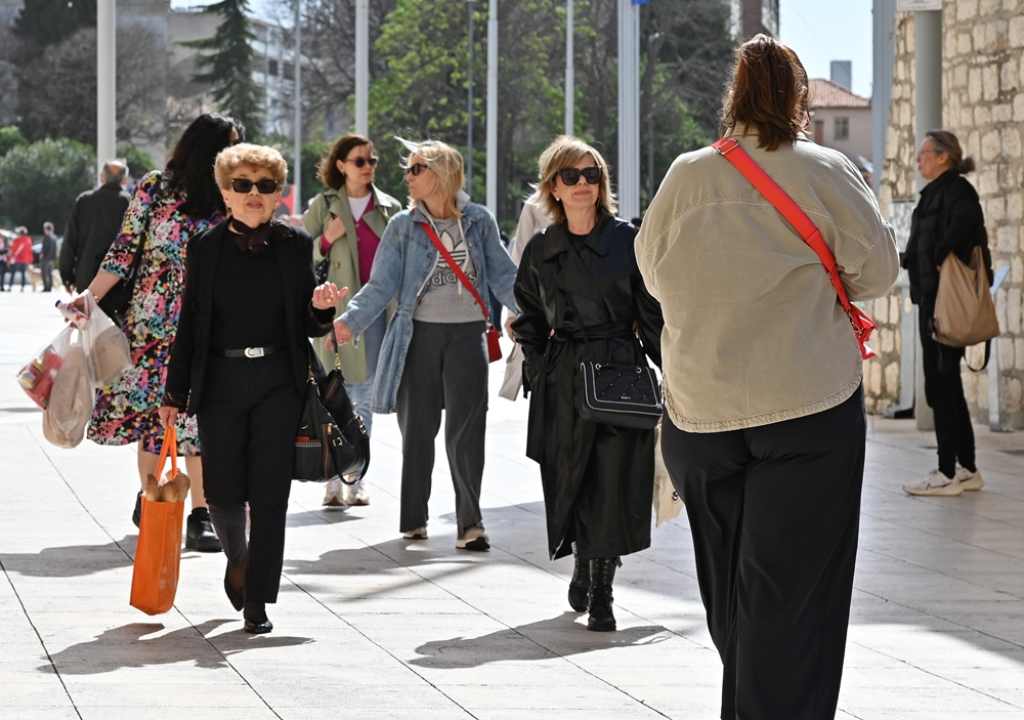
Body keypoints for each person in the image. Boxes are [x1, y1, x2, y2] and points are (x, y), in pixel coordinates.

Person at [636, 35, 898, 720]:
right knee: (793, 597)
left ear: (734, 94)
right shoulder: (826, 169)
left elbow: (652, 272)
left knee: (732, 597)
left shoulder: (687, 173)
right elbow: (878, 272)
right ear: (799, 97)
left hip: (701, 409)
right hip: (806, 401)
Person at [161, 143, 339, 634]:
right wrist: (174, 393)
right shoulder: (205, 247)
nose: (254, 194)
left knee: (269, 497)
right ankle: (237, 559)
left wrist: (322, 307)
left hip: (279, 384)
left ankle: (258, 600)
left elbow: (308, 323)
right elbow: (189, 327)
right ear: (225, 192)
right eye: (242, 185)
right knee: (221, 494)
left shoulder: (295, 244)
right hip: (219, 383)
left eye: (265, 185)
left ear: (278, 193)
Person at [332, 138, 517, 550]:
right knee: (417, 429)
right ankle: (414, 518)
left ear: (442, 174)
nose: (408, 177)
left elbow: (505, 276)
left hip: (468, 334)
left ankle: (471, 524)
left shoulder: (479, 221)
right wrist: (349, 323)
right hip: (417, 337)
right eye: (409, 170)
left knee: (467, 432)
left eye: (417, 169)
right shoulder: (403, 225)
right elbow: (380, 286)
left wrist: (528, 313)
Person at [511, 137, 663, 632]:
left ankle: (602, 592)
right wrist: (539, 368)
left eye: (591, 175)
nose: (582, 184)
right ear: (553, 185)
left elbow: (651, 316)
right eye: (571, 176)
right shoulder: (541, 248)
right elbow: (528, 318)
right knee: (570, 479)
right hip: (563, 379)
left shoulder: (628, 240)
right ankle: (583, 561)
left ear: (602, 184)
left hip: (619, 371)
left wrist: (677, 375)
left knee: (611, 483)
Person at [73, 114, 244, 553]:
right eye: (230, 144)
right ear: (207, 148)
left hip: (207, 325)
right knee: (155, 417)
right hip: (150, 325)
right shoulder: (155, 187)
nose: (237, 152)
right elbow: (123, 252)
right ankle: (152, 497)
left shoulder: (231, 194)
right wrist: (87, 299)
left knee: (198, 417)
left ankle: (200, 514)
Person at [302, 133, 402, 508]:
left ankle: (356, 478)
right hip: (332, 313)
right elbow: (302, 259)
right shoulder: (323, 205)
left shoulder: (390, 208)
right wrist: (326, 239)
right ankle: (330, 480)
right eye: (359, 161)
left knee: (362, 398)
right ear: (341, 165)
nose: (368, 167)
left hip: (374, 315)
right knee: (331, 395)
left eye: (372, 161)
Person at [901, 130, 989, 497]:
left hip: (943, 306)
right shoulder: (938, 191)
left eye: (924, 153)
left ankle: (945, 472)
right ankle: (967, 468)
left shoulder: (956, 190)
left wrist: (938, 257)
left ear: (943, 157)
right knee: (948, 384)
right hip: (931, 301)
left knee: (941, 386)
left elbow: (964, 225)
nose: (918, 160)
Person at [60, 160, 131, 294]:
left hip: (87, 276)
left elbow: (70, 241)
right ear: (125, 180)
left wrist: (67, 277)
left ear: (101, 177)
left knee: (88, 314)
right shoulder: (131, 202)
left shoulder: (84, 200)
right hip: (121, 278)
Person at [39, 222, 58, 292]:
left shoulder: (47, 237)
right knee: (50, 273)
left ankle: (46, 287)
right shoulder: (54, 237)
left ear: (46, 229)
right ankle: (50, 286)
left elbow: (45, 247)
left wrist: (42, 254)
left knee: (44, 273)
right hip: (52, 258)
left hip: (46, 258)